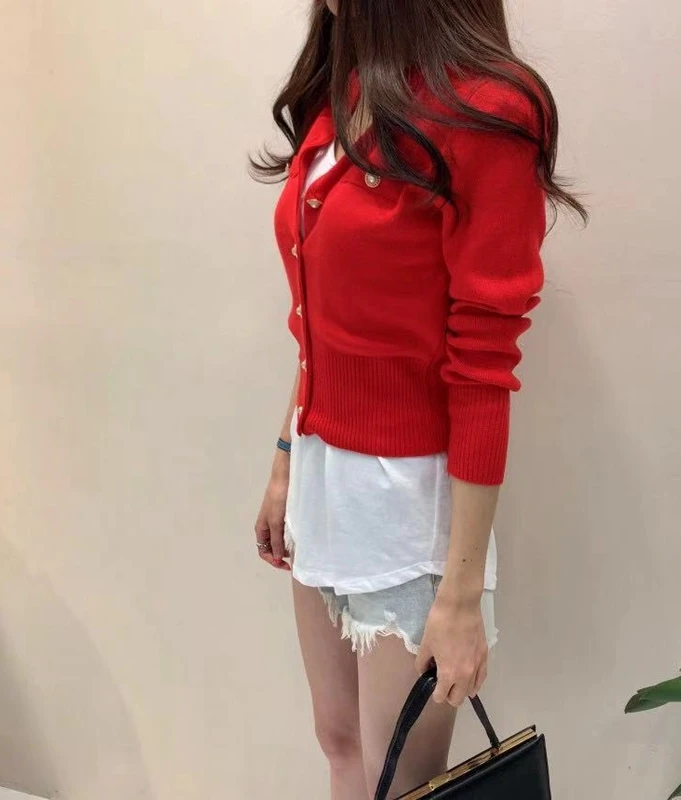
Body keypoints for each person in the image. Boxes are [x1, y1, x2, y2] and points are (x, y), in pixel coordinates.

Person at [249, 1, 584, 796]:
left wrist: (461, 597)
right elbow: (320, 323)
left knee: (397, 781)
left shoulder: (489, 111)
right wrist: (286, 461)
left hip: (409, 505)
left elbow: (484, 365)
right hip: (324, 477)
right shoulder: (348, 88)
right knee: (338, 743)